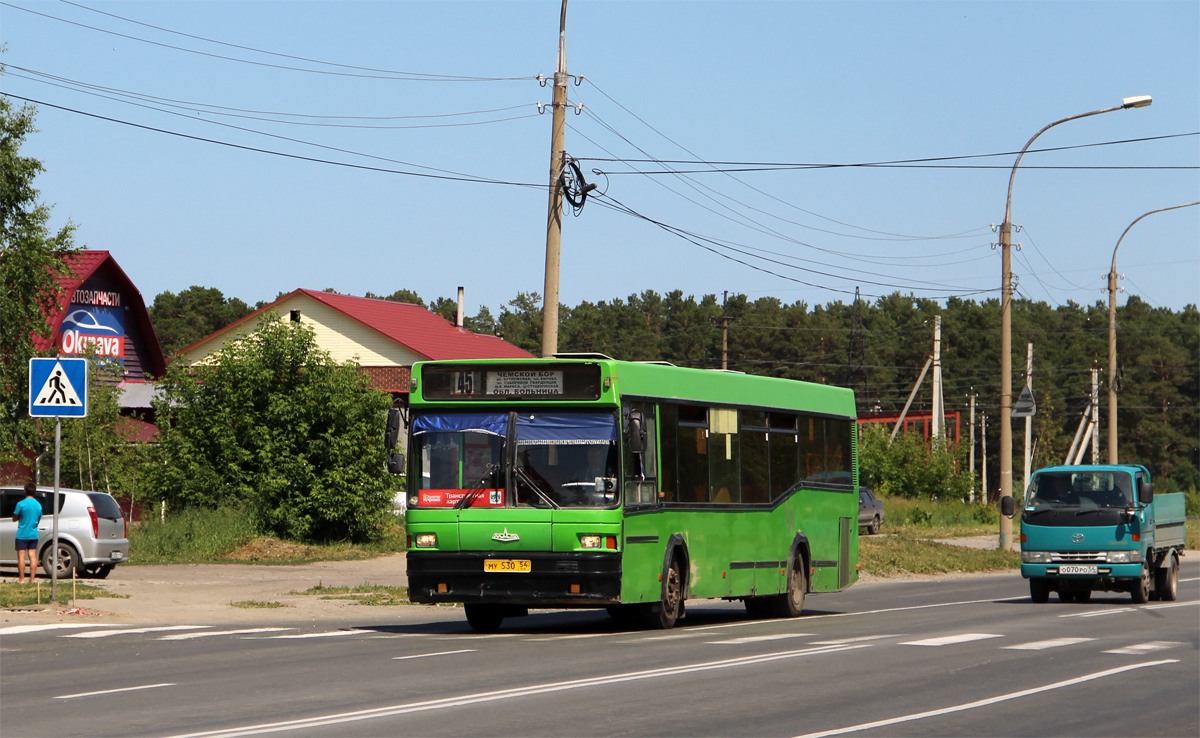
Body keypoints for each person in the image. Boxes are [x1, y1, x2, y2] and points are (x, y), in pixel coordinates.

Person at [13, 482, 42, 583]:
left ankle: (21, 579)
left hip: (22, 534)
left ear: (25, 491)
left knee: (21, 556)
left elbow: (14, 518)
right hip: (33, 533)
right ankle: (32, 579)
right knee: (33, 556)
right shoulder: (38, 505)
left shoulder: (20, 504)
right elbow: (38, 520)